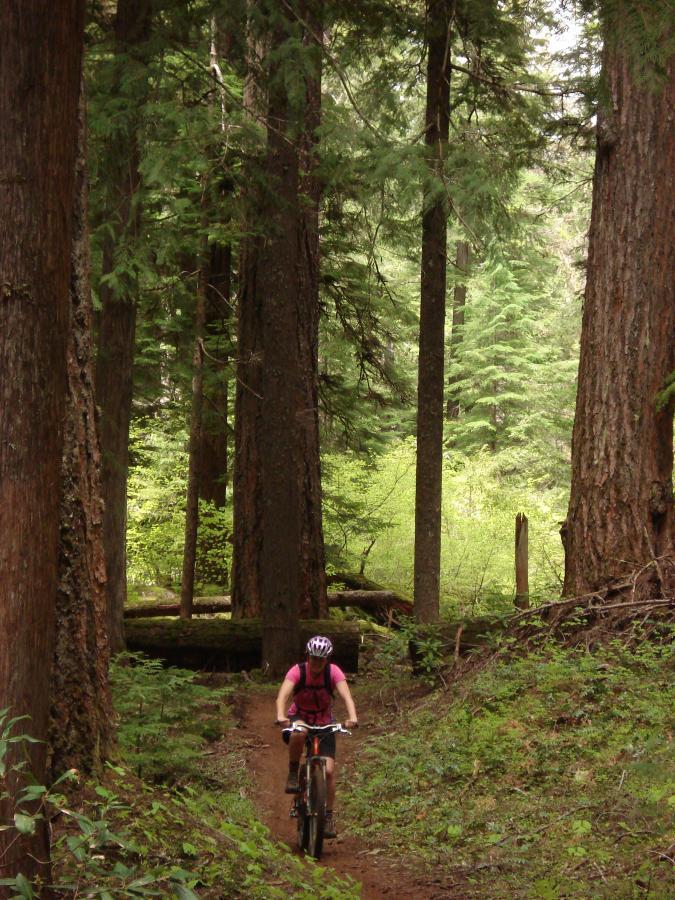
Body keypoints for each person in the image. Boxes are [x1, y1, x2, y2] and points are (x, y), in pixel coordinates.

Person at [275, 635, 358, 839]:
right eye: (313, 658)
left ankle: (327, 816)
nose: (316, 663)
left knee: (328, 772)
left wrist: (352, 717)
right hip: (300, 716)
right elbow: (282, 696)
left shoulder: (333, 672)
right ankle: (294, 773)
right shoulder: (298, 671)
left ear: (327, 659)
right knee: (299, 733)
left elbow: (347, 696)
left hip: (324, 721)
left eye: (321, 660)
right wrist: (281, 715)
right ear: (308, 656)